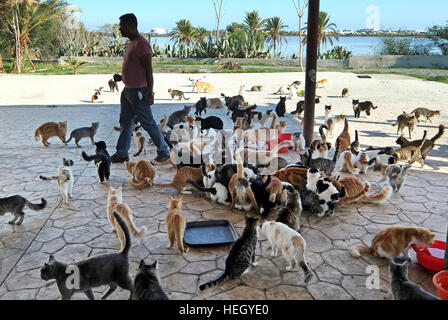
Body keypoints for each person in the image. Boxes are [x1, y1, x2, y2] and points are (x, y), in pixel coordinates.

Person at [110, 13, 170, 163]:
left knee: (147, 122)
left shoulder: (142, 44)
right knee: (125, 122)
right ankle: (122, 152)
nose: (120, 29)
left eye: (122, 26)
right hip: (128, 91)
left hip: (139, 92)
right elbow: (134, 68)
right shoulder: (132, 43)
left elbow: (148, 70)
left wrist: (150, 93)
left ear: (131, 26)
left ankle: (163, 151)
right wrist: (122, 78)